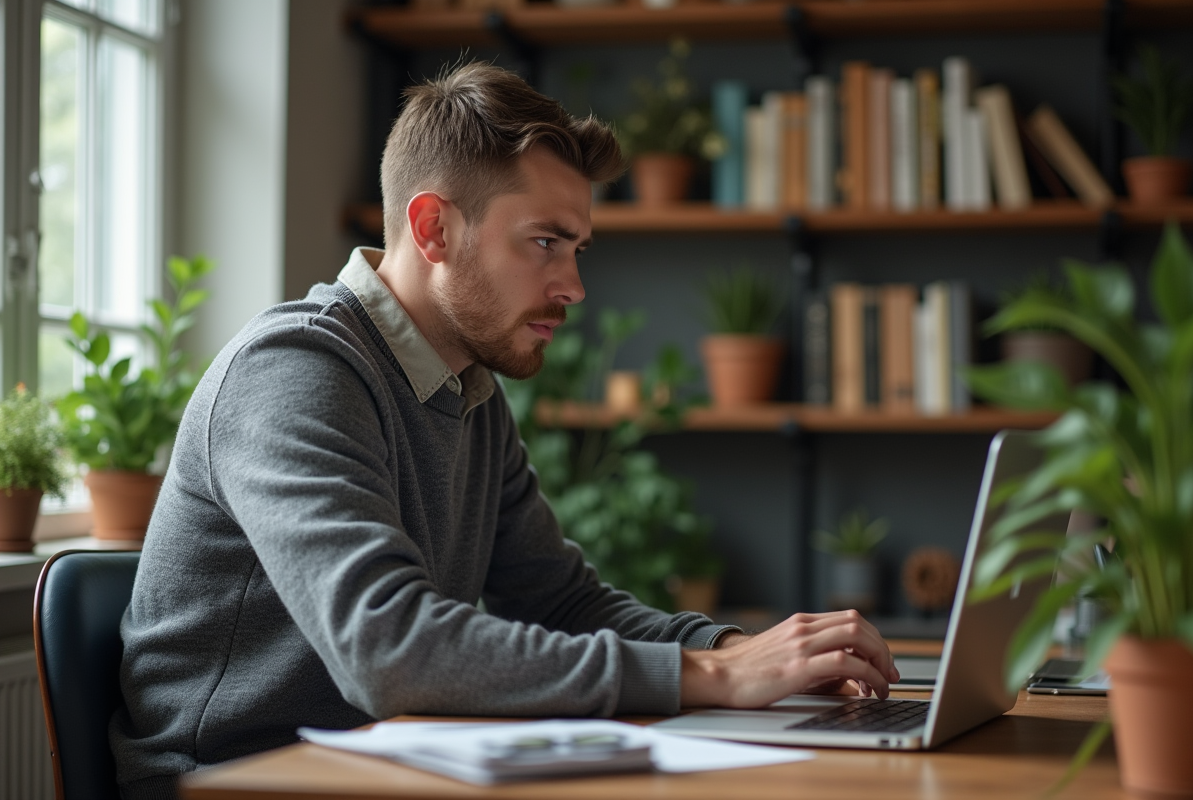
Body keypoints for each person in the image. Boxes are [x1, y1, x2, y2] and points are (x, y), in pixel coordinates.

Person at [110, 62, 898, 800]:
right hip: (236, 782)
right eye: (545, 243)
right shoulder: (293, 372)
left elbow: (561, 600)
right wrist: (713, 678)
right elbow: (389, 649)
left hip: (381, 770)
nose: (575, 286)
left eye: (578, 248)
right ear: (434, 230)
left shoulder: (468, 391)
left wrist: (736, 651)